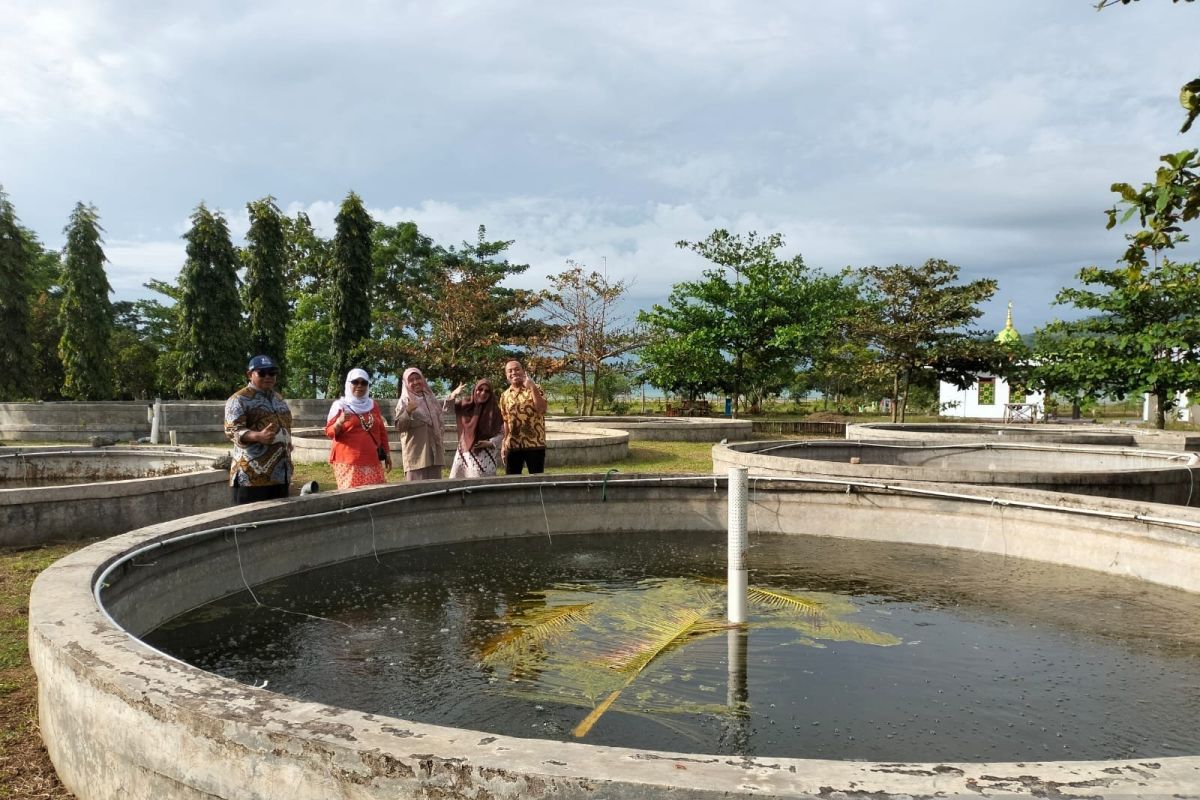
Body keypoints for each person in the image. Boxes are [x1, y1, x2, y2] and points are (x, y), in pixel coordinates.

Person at [224, 354, 293, 504]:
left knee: (279, 523)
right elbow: (232, 430)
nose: (268, 376)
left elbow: (286, 426)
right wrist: (257, 436)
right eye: (262, 373)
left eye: (272, 373)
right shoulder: (238, 399)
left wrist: (287, 442)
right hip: (251, 478)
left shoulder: (279, 399)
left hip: (281, 475)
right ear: (250, 374)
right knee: (249, 524)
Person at [325, 368, 392, 490]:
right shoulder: (340, 406)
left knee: (374, 497)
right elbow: (329, 432)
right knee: (351, 499)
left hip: (372, 460)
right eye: (355, 382)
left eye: (364, 383)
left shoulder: (373, 405)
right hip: (349, 462)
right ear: (348, 384)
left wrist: (387, 454)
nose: (359, 386)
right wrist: (339, 422)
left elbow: (382, 431)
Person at [394, 366, 452, 481]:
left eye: (418, 378)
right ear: (406, 383)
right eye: (411, 380)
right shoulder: (405, 401)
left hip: (434, 453)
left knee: (435, 491)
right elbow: (399, 427)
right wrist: (408, 411)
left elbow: (441, 416)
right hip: (417, 457)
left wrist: (452, 397)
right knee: (417, 491)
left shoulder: (431, 398)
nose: (415, 382)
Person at [499, 359, 548, 474]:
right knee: (512, 482)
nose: (514, 373)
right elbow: (505, 421)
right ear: (506, 375)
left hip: (535, 444)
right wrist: (504, 444)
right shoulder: (504, 396)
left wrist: (532, 388)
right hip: (513, 445)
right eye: (510, 371)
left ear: (523, 371)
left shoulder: (536, 388)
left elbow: (542, 409)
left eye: (517, 369)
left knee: (537, 481)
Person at [448, 378, 504, 478]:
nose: (483, 393)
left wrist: (490, 442)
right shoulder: (465, 405)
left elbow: (502, 432)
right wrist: (453, 395)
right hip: (465, 453)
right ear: (475, 390)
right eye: (480, 389)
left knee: (482, 487)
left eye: (487, 391)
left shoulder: (495, 411)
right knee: (461, 487)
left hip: (485, 454)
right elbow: (447, 409)